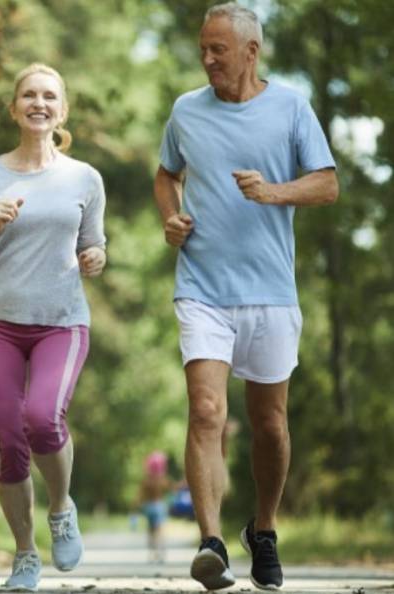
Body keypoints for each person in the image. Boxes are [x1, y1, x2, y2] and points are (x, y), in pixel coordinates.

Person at [153, 2, 338, 590]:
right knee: (206, 411)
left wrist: (274, 192)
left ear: (251, 52)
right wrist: (172, 217)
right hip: (202, 286)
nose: (206, 59)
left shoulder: (290, 107)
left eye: (218, 50)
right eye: (203, 48)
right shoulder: (186, 110)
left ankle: (263, 529)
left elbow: (328, 184)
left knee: (270, 425)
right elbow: (166, 174)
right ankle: (210, 543)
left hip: (270, 291)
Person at [0, 62, 107, 591]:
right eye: (29, 95)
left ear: (62, 110)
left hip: (61, 323)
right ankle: (24, 554)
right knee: (8, 443)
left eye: (49, 96)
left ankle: (61, 507)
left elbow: (93, 243)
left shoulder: (84, 178)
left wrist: (95, 258)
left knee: (43, 418)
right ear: (14, 108)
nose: (39, 103)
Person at [136, 451, 175, 563]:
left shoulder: (147, 481)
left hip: (148, 507)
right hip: (159, 506)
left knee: (150, 531)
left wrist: (137, 505)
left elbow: (140, 495)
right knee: (160, 531)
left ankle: (152, 552)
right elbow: (172, 489)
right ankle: (161, 551)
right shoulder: (162, 480)